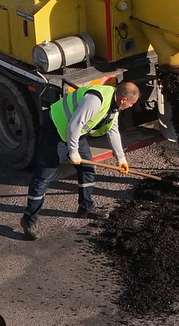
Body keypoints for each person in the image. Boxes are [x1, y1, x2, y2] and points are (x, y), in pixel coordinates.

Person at [20, 81, 140, 240]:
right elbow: (74, 125)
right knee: (44, 176)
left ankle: (86, 208)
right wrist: (73, 151)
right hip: (55, 128)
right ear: (123, 99)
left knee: (87, 169)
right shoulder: (95, 100)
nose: (131, 106)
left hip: (75, 133)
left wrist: (121, 158)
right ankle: (29, 221)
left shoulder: (114, 105)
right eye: (131, 103)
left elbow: (112, 130)